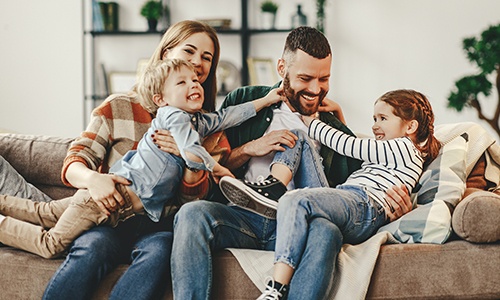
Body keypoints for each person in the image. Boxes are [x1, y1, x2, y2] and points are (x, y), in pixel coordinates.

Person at [170, 26, 414, 300]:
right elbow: (215, 162)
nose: (315, 89)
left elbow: (357, 195)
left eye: (324, 79)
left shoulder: (332, 127)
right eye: (305, 78)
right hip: (245, 217)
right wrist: (250, 149)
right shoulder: (246, 100)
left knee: (327, 229)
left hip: (301, 224)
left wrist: (400, 207)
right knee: (192, 215)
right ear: (282, 67)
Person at [0, 58, 282, 259]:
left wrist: (267, 100)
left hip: (116, 210)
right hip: (107, 199)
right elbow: (191, 151)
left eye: (196, 79)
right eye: (182, 82)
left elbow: (226, 117)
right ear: (161, 99)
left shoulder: (194, 120)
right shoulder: (173, 117)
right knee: (51, 244)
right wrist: (219, 168)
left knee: (45, 213)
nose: (194, 84)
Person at [36, 20, 223, 300]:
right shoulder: (119, 105)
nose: (198, 62)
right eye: (189, 51)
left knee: (159, 251)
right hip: (108, 219)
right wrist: (93, 179)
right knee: (92, 248)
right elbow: (75, 160)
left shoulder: (206, 128)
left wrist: (188, 163)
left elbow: (191, 207)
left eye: (206, 58)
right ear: (165, 54)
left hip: (157, 226)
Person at [248, 89, 441, 299]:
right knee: (321, 227)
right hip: (348, 200)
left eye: (383, 118)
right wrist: (338, 114)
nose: (375, 125)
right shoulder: (390, 154)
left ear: (411, 126)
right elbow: (358, 153)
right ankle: (274, 186)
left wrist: (308, 120)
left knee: (295, 199)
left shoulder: (403, 147)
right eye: (374, 118)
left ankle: (276, 288)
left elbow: (350, 146)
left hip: (364, 204)